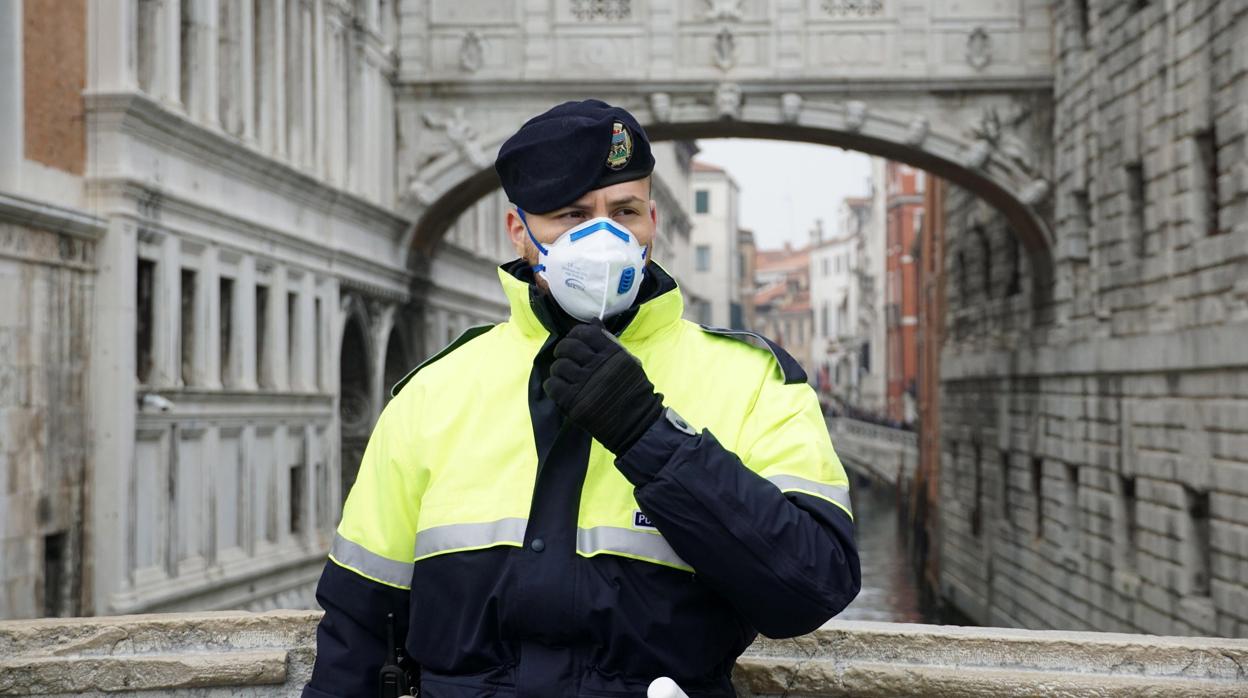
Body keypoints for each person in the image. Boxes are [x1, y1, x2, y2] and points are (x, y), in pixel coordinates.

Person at [303, 99, 860, 698]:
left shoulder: (753, 380)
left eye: (625, 211)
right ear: (521, 232)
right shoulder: (435, 392)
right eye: (571, 215)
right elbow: (358, 630)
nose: (604, 238)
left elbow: (812, 587)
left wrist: (649, 435)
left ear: (652, 222)